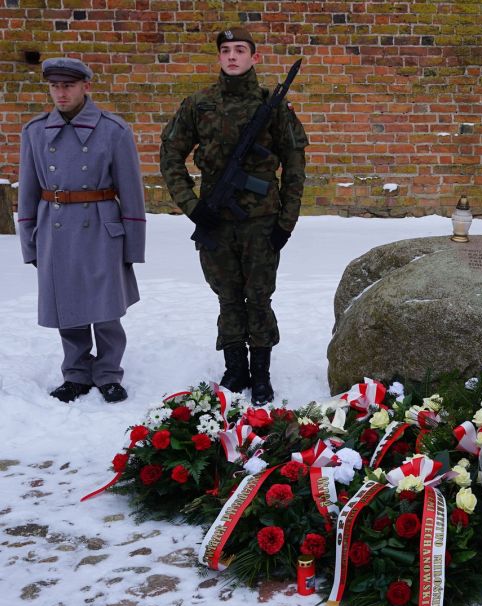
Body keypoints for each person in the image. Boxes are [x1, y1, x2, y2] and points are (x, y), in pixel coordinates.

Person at [160, 27, 308, 405]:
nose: (232, 56)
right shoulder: (199, 104)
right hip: (216, 220)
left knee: (258, 298)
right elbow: (170, 156)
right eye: (225, 50)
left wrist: (285, 223)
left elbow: (294, 166)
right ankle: (234, 368)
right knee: (228, 297)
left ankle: (261, 373)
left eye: (240, 50)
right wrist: (192, 207)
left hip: (262, 222)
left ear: (254, 58)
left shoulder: (271, 107)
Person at [17, 57, 146, 404]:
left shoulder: (114, 130)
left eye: (68, 85)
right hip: (54, 226)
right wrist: (28, 242)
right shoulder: (34, 131)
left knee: (106, 308)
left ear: (86, 87)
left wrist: (134, 245)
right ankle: (75, 372)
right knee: (66, 304)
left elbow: (131, 192)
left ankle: (107, 372)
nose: (61, 93)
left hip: (102, 225)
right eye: (55, 86)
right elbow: (27, 192)